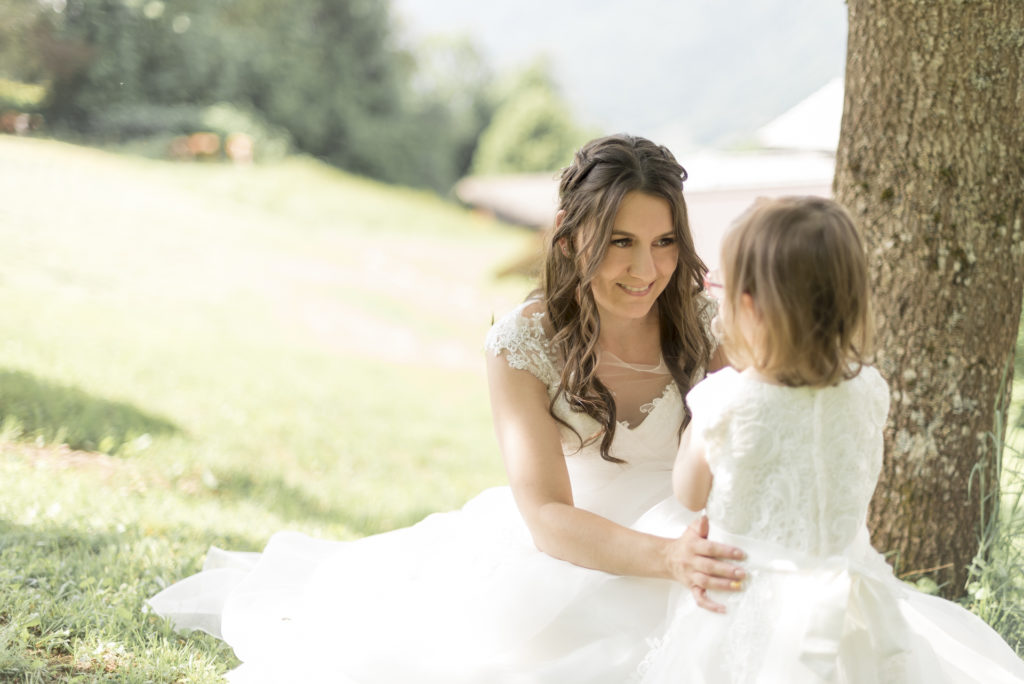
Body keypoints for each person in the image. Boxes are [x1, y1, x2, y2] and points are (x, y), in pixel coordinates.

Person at [147, 133, 745, 683]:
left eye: (664, 242)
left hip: (694, 523)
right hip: (577, 548)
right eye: (621, 242)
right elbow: (545, 516)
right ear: (568, 235)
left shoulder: (709, 327)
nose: (647, 270)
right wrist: (669, 559)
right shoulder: (522, 345)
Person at [633, 196, 1024, 683]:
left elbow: (688, 493)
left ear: (750, 308)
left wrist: (703, 410)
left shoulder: (724, 400)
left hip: (748, 607)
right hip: (851, 607)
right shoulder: (869, 389)